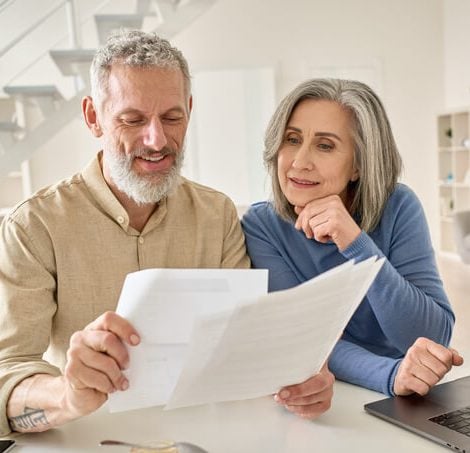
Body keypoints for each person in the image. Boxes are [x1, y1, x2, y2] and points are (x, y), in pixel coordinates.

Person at [0, 31, 333, 437]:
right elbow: (8, 375)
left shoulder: (217, 214)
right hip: (86, 439)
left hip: (205, 437)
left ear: (189, 111)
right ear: (92, 117)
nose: (156, 140)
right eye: (132, 119)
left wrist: (300, 377)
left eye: (172, 117)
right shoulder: (33, 226)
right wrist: (66, 394)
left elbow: (247, 347)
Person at [242, 78, 463, 398]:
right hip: (323, 390)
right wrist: (389, 374)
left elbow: (431, 336)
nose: (299, 162)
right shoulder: (262, 225)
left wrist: (357, 245)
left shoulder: (399, 206)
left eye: (325, 145)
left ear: (358, 164)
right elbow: (303, 336)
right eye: (292, 139)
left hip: (401, 394)